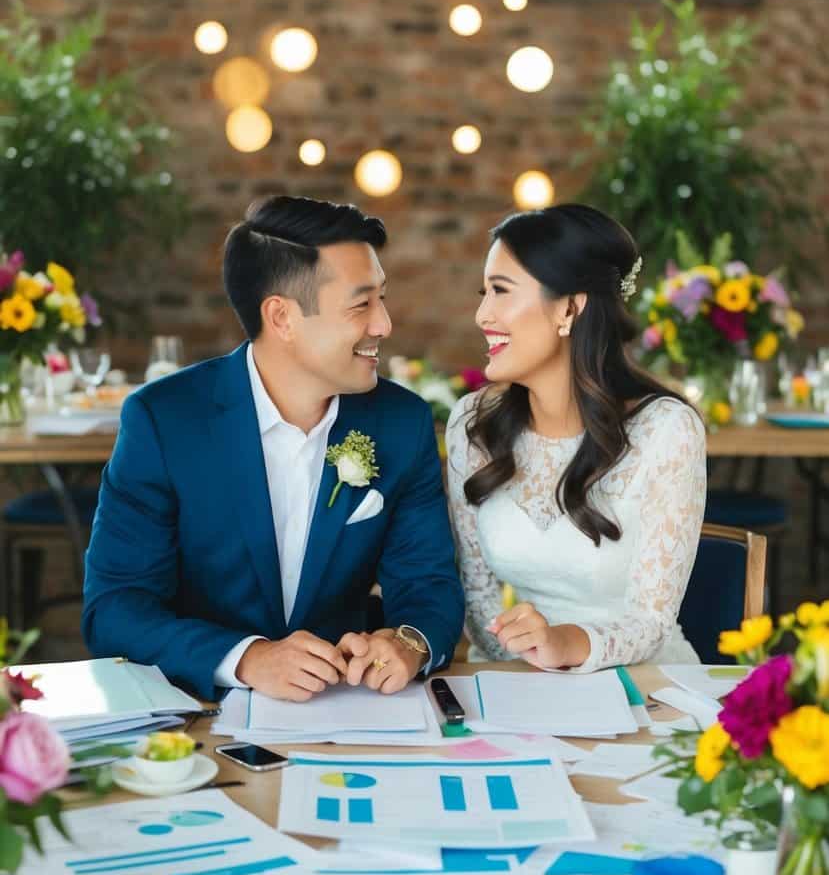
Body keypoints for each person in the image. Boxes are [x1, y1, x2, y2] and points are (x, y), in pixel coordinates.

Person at [83, 196, 464, 700]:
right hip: (201, 712)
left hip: (350, 708)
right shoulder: (164, 420)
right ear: (281, 317)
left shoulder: (402, 422)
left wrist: (410, 642)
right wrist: (248, 659)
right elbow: (115, 608)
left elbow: (429, 585)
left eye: (383, 299)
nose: (384, 325)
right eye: (361, 304)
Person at [445, 203, 706, 672]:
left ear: (569, 307)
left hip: (645, 687)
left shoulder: (666, 431)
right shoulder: (473, 424)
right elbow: (477, 595)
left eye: (501, 292)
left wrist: (565, 646)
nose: (483, 314)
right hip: (519, 683)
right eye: (483, 292)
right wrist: (525, 662)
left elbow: (651, 621)